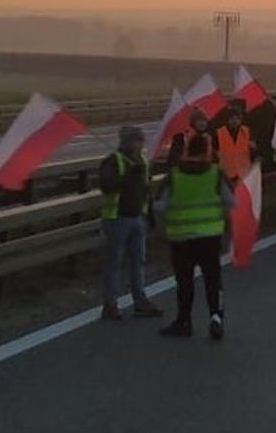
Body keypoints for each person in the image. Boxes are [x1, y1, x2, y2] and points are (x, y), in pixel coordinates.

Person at [154, 134, 233, 339]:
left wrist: (166, 224)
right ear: (207, 150)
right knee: (213, 280)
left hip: (180, 237)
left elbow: (159, 206)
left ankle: (184, 321)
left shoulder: (174, 175)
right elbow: (230, 201)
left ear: (187, 150)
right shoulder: (216, 173)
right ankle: (216, 317)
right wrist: (221, 220)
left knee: (184, 281)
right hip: (210, 237)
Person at [98, 126, 163, 321]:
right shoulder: (113, 161)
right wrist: (127, 177)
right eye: (135, 141)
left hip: (137, 217)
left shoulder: (141, 160)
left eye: (140, 141)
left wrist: (149, 214)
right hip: (117, 217)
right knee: (115, 263)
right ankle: (110, 304)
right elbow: (106, 186)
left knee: (138, 261)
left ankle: (140, 300)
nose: (138, 144)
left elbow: (145, 189)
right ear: (126, 142)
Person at [217, 105, 257, 182]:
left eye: (237, 118)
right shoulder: (219, 133)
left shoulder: (247, 132)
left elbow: (254, 153)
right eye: (232, 118)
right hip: (226, 175)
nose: (235, 121)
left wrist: (253, 149)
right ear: (227, 120)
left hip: (244, 174)